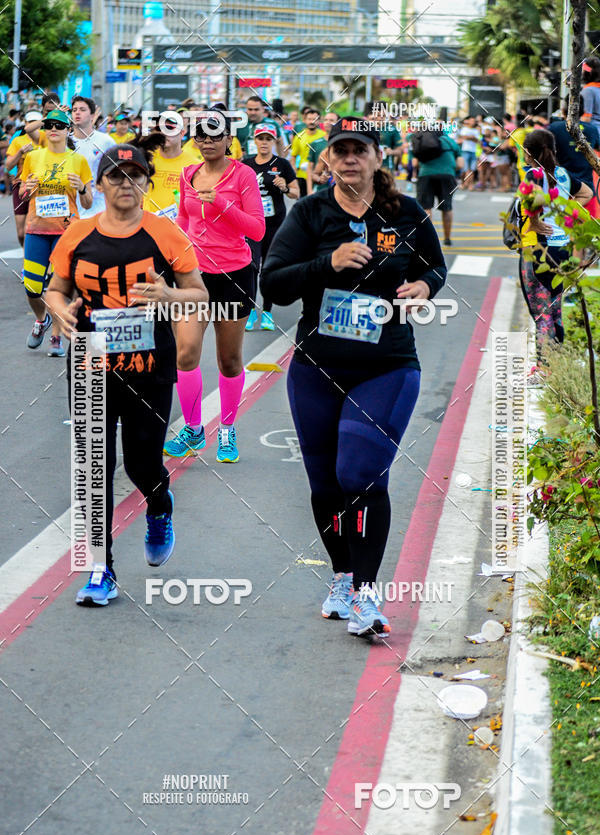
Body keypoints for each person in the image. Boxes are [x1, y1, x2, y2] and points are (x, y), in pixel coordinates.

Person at [261, 116, 447, 637]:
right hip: (317, 367)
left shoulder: (404, 212)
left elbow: (434, 266)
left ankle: (367, 595)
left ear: (377, 158)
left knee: (360, 475)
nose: (348, 159)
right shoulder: (309, 213)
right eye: (339, 150)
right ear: (327, 158)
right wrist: (328, 263)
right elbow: (273, 285)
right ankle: (343, 576)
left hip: (387, 366)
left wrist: (425, 288)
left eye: (358, 150)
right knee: (325, 484)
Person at [45, 143, 207, 606]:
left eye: (134, 175)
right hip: (91, 359)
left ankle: (159, 503)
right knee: (93, 468)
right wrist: (59, 311)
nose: (125, 183)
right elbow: (55, 289)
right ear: (100, 184)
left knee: (141, 463)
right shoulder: (77, 234)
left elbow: (198, 294)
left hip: (148, 362)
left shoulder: (165, 233)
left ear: (147, 183)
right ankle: (101, 569)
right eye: (115, 175)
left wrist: (168, 296)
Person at [163, 110, 265, 463]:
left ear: (228, 140)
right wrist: (174, 253)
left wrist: (220, 203)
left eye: (214, 135)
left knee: (229, 360)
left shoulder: (243, 175)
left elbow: (257, 230)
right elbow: (183, 217)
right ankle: (193, 428)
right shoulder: (188, 174)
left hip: (234, 276)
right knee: (185, 353)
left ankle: (227, 428)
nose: (207, 142)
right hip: (194, 277)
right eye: (201, 136)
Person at [518, 129, 592, 383]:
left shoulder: (533, 174)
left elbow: (529, 200)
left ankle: (544, 370)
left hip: (538, 251)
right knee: (554, 309)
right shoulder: (563, 175)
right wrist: (566, 212)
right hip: (562, 250)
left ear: (528, 152)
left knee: (542, 314)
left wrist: (535, 222)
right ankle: (556, 365)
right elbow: (587, 193)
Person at [19, 108, 93, 356]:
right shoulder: (33, 157)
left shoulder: (78, 160)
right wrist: (27, 189)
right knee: (32, 288)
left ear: (68, 130)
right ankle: (42, 320)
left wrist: (82, 188)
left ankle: (56, 338)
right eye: (49, 125)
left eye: (59, 125)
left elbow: (88, 203)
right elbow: (22, 195)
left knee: (58, 288)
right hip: (37, 230)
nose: (53, 129)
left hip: (67, 232)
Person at [243, 124, 299, 331]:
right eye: (261, 138)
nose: (264, 143)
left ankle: (267, 312)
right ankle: (250, 311)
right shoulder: (246, 164)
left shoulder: (282, 164)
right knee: (251, 268)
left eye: (268, 139)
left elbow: (296, 193)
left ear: (274, 142)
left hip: (274, 224)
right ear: (255, 141)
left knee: (268, 268)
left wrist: (284, 187)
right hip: (252, 225)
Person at [412, 121, 461, 246]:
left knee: (426, 208)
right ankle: (447, 238)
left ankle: (428, 239)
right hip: (447, 176)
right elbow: (460, 164)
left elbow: (414, 163)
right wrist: (448, 169)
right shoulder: (450, 141)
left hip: (425, 175)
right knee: (447, 208)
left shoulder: (422, 140)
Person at [142, 116, 198, 219]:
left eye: (169, 128)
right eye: (159, 129)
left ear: (182, 133)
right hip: (147, 223)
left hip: (179, 226)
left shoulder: (195, 165)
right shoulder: (146, 159)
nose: (163, 133)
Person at [71, 95, 115, 218]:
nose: (77, 113)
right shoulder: (65, 142)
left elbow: (117, 170)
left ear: (92, 116)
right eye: (74, 110)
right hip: (71, 208)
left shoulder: (106, 141)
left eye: (82, 110)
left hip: (99, 207)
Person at [5, 110, 44, 247]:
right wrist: (20, 152)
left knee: (30, 229)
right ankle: (25, 251)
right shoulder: (18, 141)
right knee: (21, 233)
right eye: (30, 122)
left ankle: (31, 256)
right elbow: (8, 165)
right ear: (26, 123)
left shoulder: (46, 139)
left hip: (40, 186)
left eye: (36, 122)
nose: (33, 125)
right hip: (21, 184)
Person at [290, 108, 326, 197]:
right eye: (309, 119)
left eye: (314, 119)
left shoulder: (324, 136)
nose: (312, 122)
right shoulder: (299, 136)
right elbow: (293, 155)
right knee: (303, 201)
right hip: (302, 175)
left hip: (319, 176)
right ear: (304, 120)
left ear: (319, 121)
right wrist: (293, 170)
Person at [306, 111, 338, 193]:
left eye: (331, 120)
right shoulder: (315, 143)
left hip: (341, 192)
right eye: (326, 120)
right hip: (321, 191)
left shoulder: (345, 143)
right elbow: (310, 170)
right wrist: (310, 190)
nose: (328, 122)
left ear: (338, 123)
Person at [457, 115, 479, 189]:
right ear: (468, 121)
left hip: (473, 151)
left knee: (472, 170)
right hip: (465, 151)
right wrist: (472, 137)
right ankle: (464, 183)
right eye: (471, 121)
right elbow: (463, 137)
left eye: (474, 121)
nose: (473, 122)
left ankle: (470, 185)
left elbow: (477, 140)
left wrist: (470, 137)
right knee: (465, 170)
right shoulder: (464, 129)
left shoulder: (476, 130)